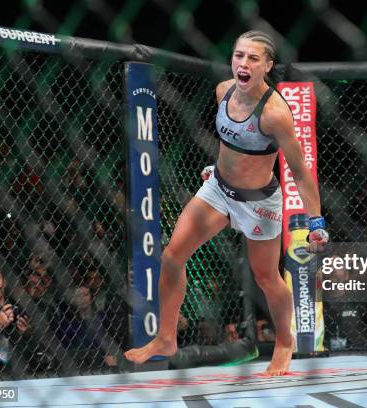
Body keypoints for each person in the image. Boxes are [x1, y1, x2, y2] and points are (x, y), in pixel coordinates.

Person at [124, 30, 329, 375]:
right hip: (218, 191)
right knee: (172, 257)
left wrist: (316, 221)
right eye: (238, 55)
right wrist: (216, 168)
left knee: (267, 278)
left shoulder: (275, 114)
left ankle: (284, 341)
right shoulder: (223, 91)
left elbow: (300, 171)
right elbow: (231, 145)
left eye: (252, 57)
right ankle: (166, 338)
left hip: (259, 203)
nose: (243, 63)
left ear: (267, 65)